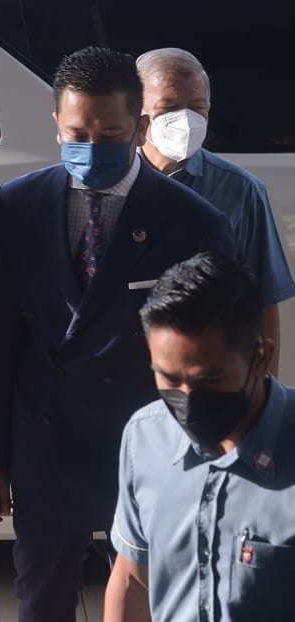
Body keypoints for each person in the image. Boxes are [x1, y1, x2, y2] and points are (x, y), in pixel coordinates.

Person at [0, 46, 236, 622]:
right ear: (56, 125)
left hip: (147, 446)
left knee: (152, 599)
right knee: (40, 601)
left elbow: (215, 354)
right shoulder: (19, 204)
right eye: (76, 134)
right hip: (46, 440)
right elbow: (5, 333)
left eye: (110, 133)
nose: (90, 149)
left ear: (140, 127)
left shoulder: (193, 221)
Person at [105, 252, 295, 621]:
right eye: (170, 380)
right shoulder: (145, 439)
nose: (188, 402)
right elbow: (133, 579)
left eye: (210, 380)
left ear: (260, 357)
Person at [137, 47, 295, 374]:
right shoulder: (112, 183)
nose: (185, 120)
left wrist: (265, 394)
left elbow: (263, 299)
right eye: (169, 107)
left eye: (197, 108)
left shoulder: (240, 191)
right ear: (137, 112)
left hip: (206, 377)